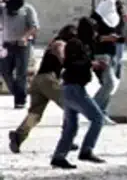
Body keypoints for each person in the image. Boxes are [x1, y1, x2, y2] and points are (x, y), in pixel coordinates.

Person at [8, 25, 79, 153]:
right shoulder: (60, 43)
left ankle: (18, 136)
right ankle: (67, 139)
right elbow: (61, 55)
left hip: (39, 80)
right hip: (48, 79)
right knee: (70, 106)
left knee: (35, 113)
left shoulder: (54, 42)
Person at [50, 17, 109, 169]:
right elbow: (70, 63)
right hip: (74, 88)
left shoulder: (83, 44)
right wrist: (91, 64)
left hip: (71, 88)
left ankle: (59, 157)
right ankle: (86, 150)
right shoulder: (75, 44)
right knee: (97, 118)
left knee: (71, 126)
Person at [0, 0, 39, 109]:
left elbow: (34, 27)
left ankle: (20, 100)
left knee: (21, 74)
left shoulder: (28, 9)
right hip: (7, 45)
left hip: (22, 46)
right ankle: (18, 93)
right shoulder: (4, 9)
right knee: (5, 72)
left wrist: (25, 37)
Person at [90, 0, 123, 123]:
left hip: (112, 53)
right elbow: (92, 37)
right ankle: (92, 109)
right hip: (99, 54)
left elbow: (119, 33)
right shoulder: (95, 17)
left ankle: (101, 113)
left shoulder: (116, 16)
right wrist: (107, 38)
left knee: (108, 84)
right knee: (109, 83)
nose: (110, 3)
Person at [113, 0, 127, 81]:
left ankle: (117, 76)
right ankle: (114, 76)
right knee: (113, 59)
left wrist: (124, 10)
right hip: (112, 38)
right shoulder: (112, 13)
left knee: (119, 59)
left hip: (120, 38)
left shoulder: (122, 14)